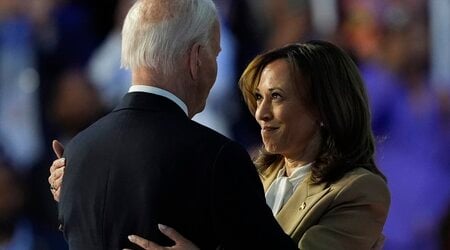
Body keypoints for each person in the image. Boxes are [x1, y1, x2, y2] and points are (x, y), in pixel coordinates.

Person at [50, 41, 391, 249]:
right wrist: (81, 176)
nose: (260, 113)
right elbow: (156, 199)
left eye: (277, 97)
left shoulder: (359, 191)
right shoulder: (245, 171)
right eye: (258, 98)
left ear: (323, 109)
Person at [49, 0, 298, 249]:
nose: (216, 66)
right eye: (215, 54)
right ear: (196, 59)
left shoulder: (74, 157)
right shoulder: (218, 158)